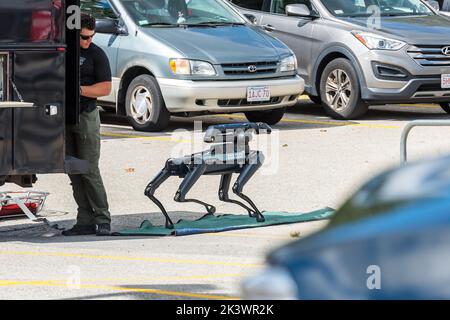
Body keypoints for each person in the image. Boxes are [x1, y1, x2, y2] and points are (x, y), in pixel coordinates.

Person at [62, 13, 112, 236]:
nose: (87, 41)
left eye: (91, 37)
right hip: (64, 118)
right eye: (83, 37)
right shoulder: (64, 51)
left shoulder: (96, 54)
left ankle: (103, 219)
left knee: (90, 170)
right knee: (74, 172)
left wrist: (79, 89)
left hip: (86, 116)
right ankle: (84, 219)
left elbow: (105, 88)